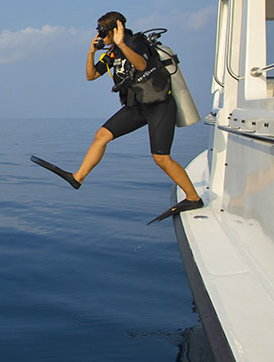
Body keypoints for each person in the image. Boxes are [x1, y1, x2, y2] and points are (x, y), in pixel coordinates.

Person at [36, 11, 202, 217]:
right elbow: (91, 75)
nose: (100, 36)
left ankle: (193, 198)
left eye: (102, 32)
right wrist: (91, 52)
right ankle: (78, 177)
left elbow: (142, 65)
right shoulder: (112, 54)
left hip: (159, 105)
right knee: (101, 135)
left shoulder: (135, 43)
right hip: (137, 107)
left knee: (161, 158)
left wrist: (122, 43)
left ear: (116, 30)